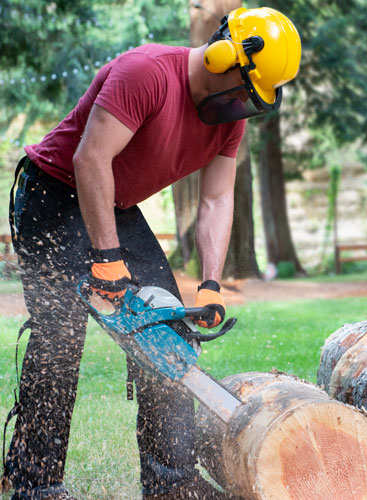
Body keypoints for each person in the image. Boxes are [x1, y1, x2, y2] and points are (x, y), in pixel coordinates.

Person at [1, 6, 301, 500]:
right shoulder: (146, 72)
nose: (244, 106)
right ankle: (36, 484)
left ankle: (171, 484)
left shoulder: (229, 121)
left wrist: (210, 281)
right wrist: (106, 257)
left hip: (111, 200)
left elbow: (216, 198)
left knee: (167, 327)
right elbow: (89, 159)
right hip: (53, 191)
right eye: (246, 91)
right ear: (225, 58)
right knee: (59, 339)